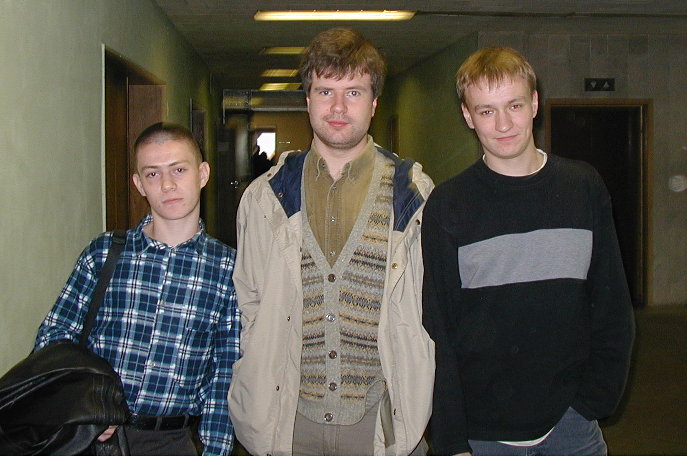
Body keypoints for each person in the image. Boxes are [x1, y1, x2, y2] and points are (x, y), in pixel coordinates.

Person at [228, 27, 435, 456]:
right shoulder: (265, 198)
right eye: (325, 92)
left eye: (354, 93)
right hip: (287, 423)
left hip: (382, 425)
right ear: (307, 100)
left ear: (374, 103)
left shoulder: (414, 195)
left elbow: (428, 307)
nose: (338, 107)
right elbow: (248, 300)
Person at [421, 46, 635, 456]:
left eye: (514, 105)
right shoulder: (449, 205)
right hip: (481, 432)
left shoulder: (582, 187)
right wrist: (450, 439)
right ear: (468, 116)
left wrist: (592, 402)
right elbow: (438, 330)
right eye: (486, 110)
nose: (503, 124)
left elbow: (611, 305)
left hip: (571, 425)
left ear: (534, 104)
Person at [35, 122, 240, 456]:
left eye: (179, 170)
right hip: (95, 435)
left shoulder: (228, 268)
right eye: (153, 174)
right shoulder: (104, 253)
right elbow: (54, 335)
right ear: (139, 184)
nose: (168, 184)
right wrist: (86, 402)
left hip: (172, 440)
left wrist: (216, 449)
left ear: (202, 174)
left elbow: (225, 371)